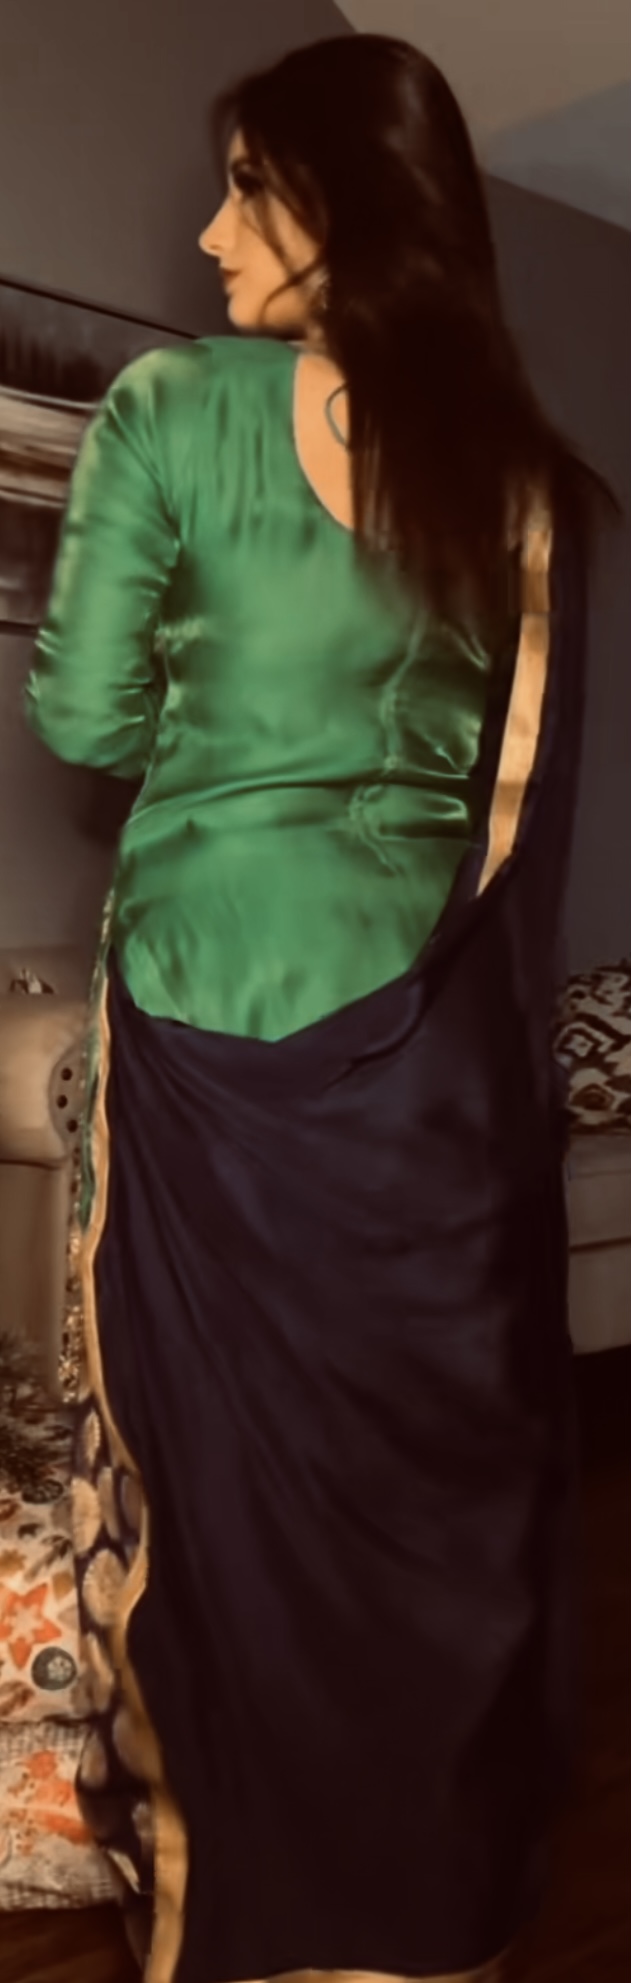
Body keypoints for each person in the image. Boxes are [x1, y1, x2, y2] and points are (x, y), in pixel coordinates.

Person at [24, 32, 619, 1983]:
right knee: (413, 1502)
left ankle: (251, 1916)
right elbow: (505, 805)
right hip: (431, 1071)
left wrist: (211, 712)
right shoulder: (526, 480)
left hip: (211, 1022)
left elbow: (83, 718)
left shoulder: (172, 412)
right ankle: (427, 1927)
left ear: (344, 207)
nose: (207, 235)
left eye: (245, 189)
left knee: (221, 1502)